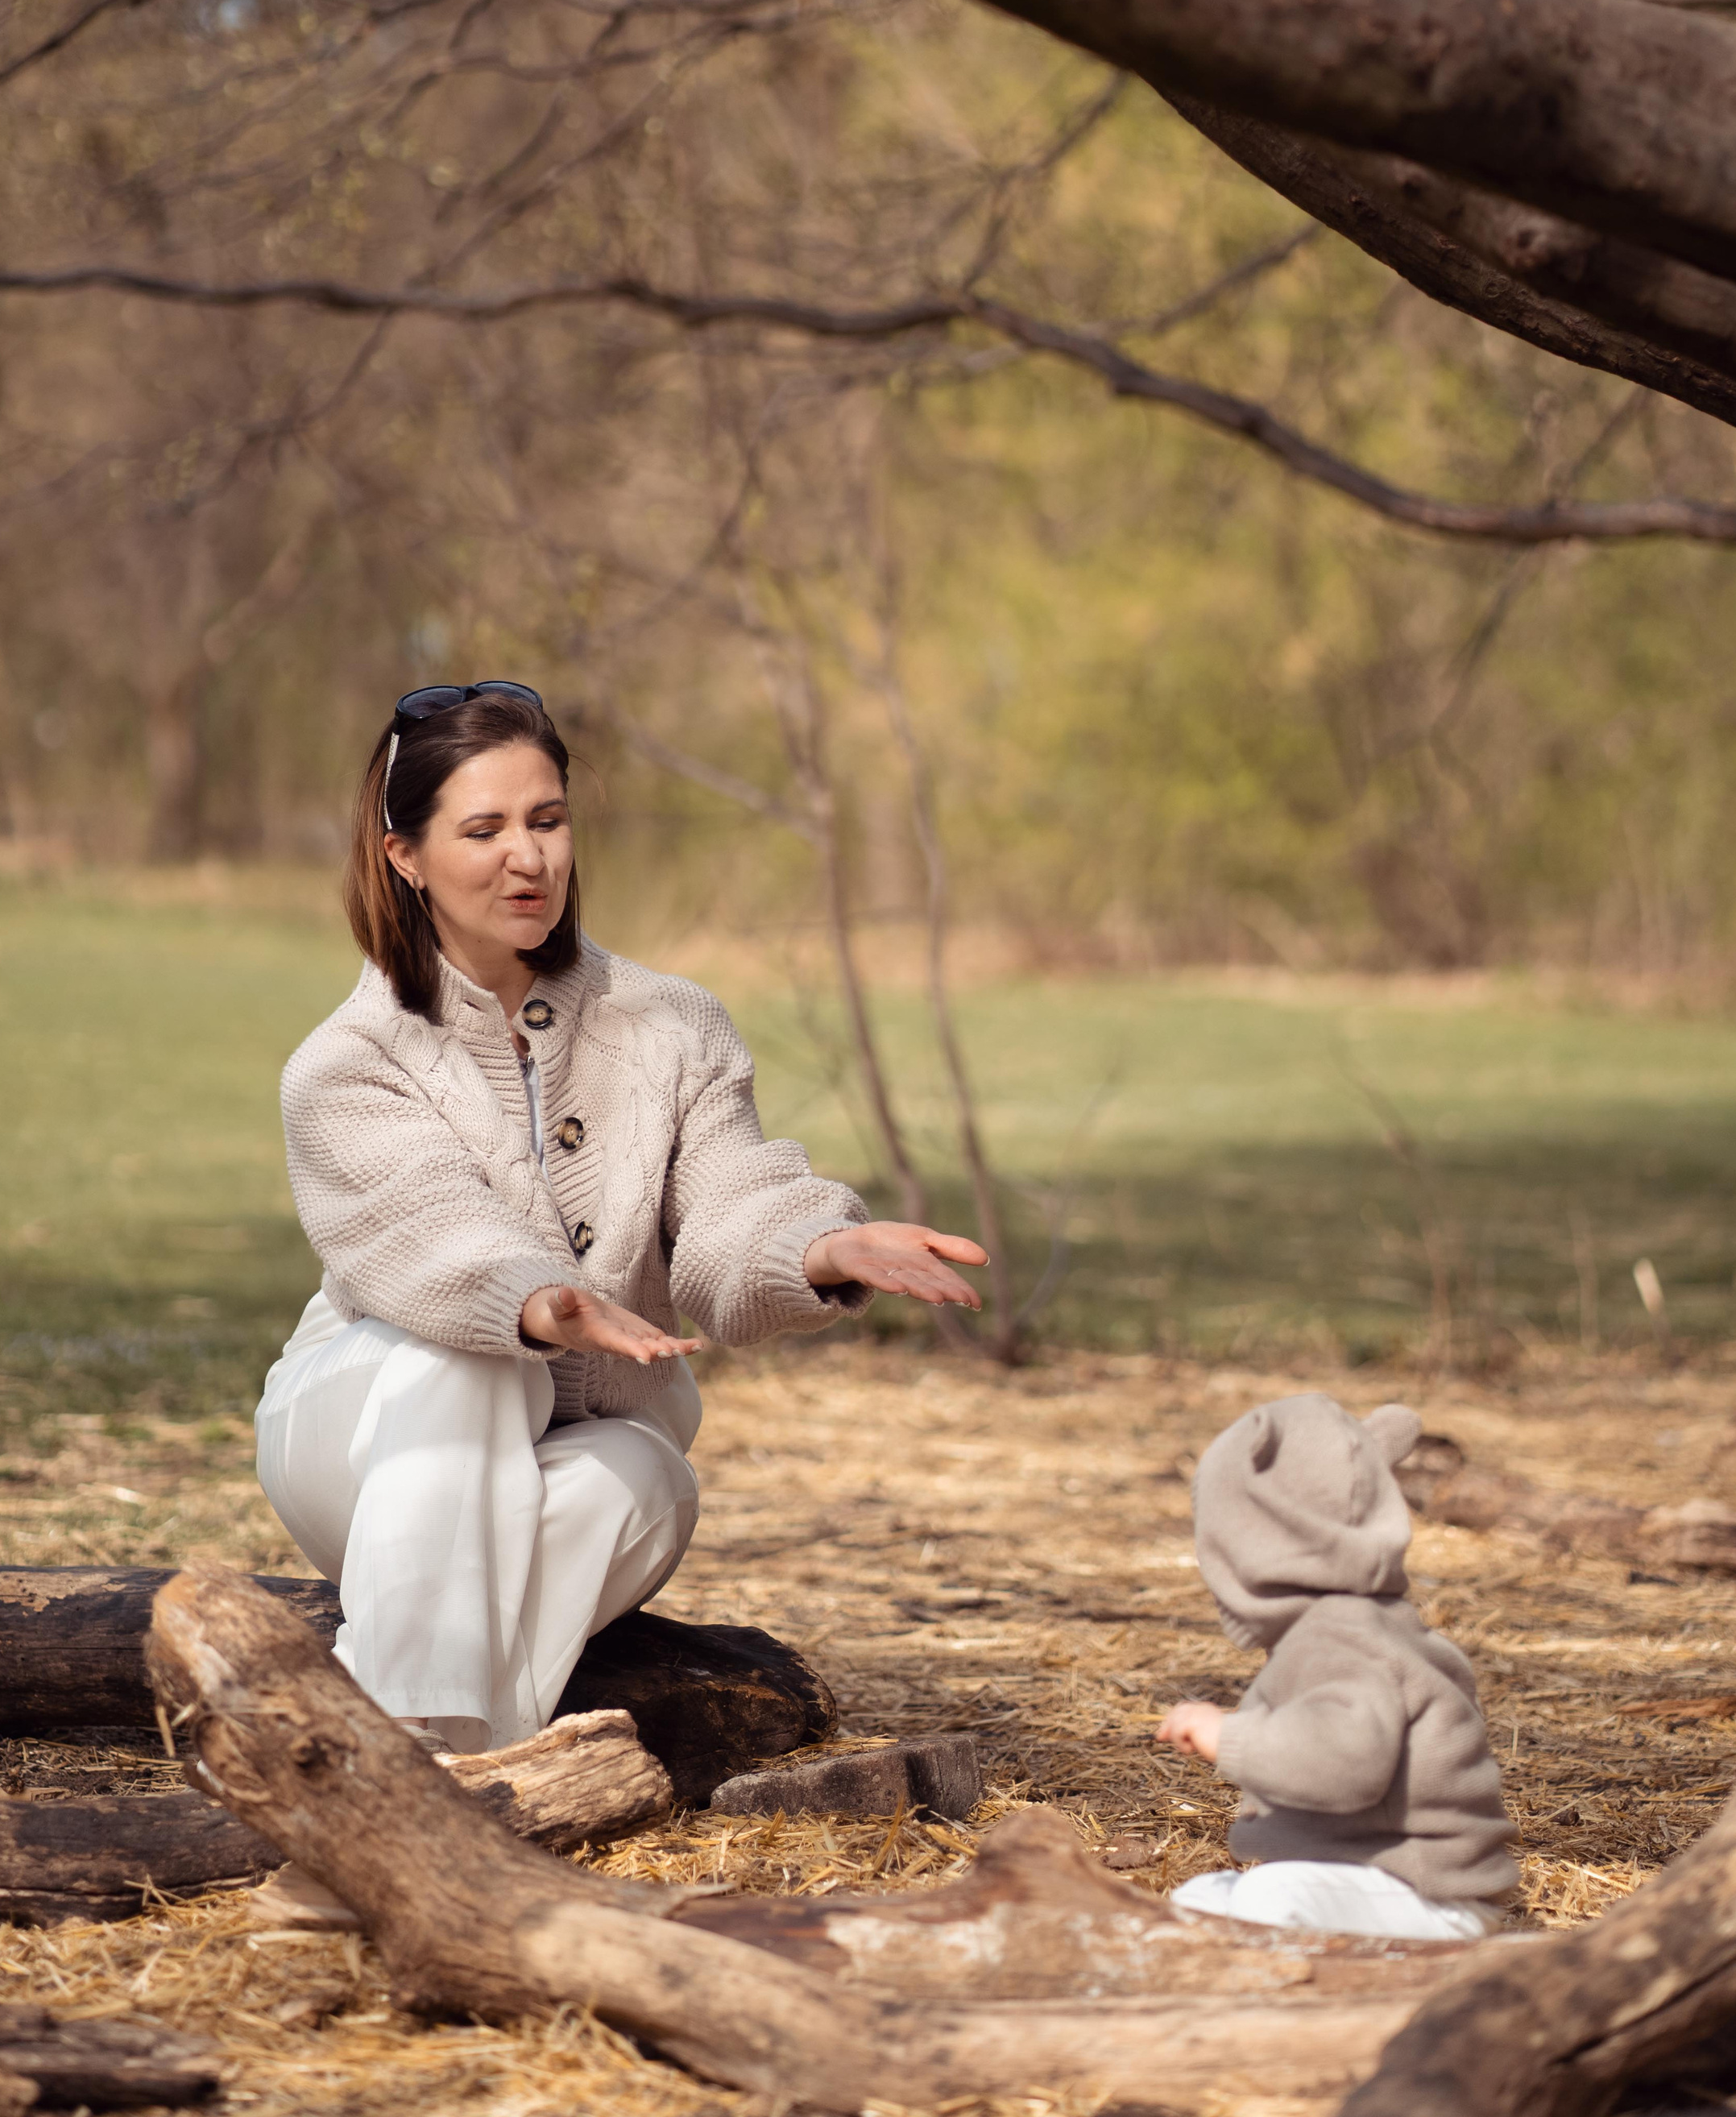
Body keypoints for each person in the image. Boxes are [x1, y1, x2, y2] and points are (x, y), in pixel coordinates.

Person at [258, 679, 987, 1761]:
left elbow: (731, 1203)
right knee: (475, 1363)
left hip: (580, 1437)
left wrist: (818, 1245)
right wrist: (542, 1305)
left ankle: (449, 1770)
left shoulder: (673, 1025)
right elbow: (435, 1237)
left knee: (648, 1476)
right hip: (370, 1432)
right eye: (485, 829)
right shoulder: (349, 1063)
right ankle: (392, 1757)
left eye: (547, 821)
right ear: (404, 855)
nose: (529, 858)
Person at [1155, 1393, 1516, 1942]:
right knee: (1199, 1901)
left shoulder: (1343, 1635)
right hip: (1373, 1883)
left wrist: (1228, 1736)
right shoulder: (1352, 1622)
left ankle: (1272, 2011)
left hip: (1428, 1896)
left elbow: (1343, 1765)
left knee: (1271, 1900)